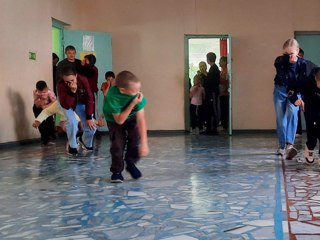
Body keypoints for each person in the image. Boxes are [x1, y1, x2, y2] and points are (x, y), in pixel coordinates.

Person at [103, 70, 149, 183]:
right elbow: (119, 120)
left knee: (135, 139)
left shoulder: (138, 96)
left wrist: (144, 143)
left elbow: (141, 120)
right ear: (123, 90)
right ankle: (117, 171)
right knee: (117, 144)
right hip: (114, 119)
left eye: (139, 89)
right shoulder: (112, 95)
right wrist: (133, 103)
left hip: (131, 117)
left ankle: (130, 162)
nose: (139, 93)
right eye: (135, 91)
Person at [273, 38, 307, 159]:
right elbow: (286, 78)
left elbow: (302, 82)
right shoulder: (279, 61)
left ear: (298, 51)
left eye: (291, 54)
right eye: (285, 54)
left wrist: (301, 98)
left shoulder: (303, 63)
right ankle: (282, 146)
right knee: (281, 118)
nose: (288, 57)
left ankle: (289, 144)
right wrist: (291, 64)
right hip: (280, 90)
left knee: (293, 113)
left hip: (295, 91)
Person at [57, 66, 96, 156]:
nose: (70, 83)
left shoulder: (83, 80)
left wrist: (89, 117)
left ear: (76, 76)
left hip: (81, 102)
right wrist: (72, 91)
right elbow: (66, 105)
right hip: (68, 102)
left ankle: (85, 141)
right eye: (67, 82)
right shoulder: (60, 85)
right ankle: (72, 145)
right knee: (72, 122)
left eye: (72, 80)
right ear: (63, 79)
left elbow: (90, 97)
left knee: (92, 127)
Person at [297, 67, 320, 164]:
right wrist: (298, 99)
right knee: (313, 132)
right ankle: (310, 147)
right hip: (310, 107)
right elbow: (293, 89)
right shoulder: (307, 82)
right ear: (316, 79)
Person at [296, 48, 318, 137]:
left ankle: (312, 131)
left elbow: (317, 71)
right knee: (296, 110)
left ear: (302, 56)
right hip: (297, 89)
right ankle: (298, 131)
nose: (298, 58)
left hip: (307, 91)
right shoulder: (292, 64)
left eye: (300, 56)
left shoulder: (308, 63)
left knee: (308, 111)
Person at [32, 80, 56, 145]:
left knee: (49, 122)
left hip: (48, 107)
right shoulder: (35, 92)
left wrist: (46, 106)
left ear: (47, 88)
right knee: (41, 124)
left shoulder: (50, 92)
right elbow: (37, 104)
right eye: (40, 92)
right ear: (37, 89)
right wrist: (42, 101)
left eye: (44, 92)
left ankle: (51, 134)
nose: (42, 94)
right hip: (38, 108)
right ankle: (45, 140)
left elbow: (55, 102)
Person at [202, 52, 220, 135]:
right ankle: (209, 128)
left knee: (213, 110)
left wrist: (205, 75)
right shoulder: (213, 68)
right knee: (209, 110)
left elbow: (212, 81)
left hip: (213, 92)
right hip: (211, 92)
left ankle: (213, 129)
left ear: (208, 59)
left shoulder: (214, 69)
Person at [219, 56, 229, 131]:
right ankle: (223, 124)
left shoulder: (226, 71)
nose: (219, 62)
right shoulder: (222, 70)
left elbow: (226, 81)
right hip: (222, 93)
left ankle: (225, 125)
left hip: (225, 94)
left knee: (225, 110)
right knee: (222, 109)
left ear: (224, 62)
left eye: (220, 61)